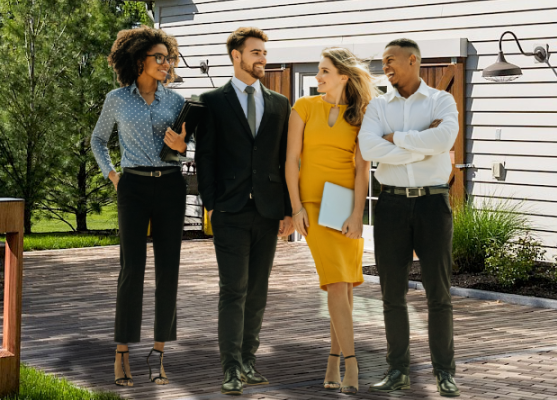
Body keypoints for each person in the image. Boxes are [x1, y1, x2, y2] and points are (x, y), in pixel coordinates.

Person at [184, 27, 294, 396]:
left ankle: (248, 360)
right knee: (233, 290)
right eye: (256, 52)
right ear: (236, 56)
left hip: (267, 211)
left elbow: (285, 161)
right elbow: (206, 157)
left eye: (264, 52)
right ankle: (230, 368)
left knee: (258, 291)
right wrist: (211, 203)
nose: (263, 58)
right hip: (229, 211)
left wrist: (288, 210)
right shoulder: (212, 101)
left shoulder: (280, 104)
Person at [356, 38, 463, 397]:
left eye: (390, 60)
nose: (384, 67)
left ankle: (444, 372)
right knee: (391, 295)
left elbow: (446, 138)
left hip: (433, 206)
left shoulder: (441, 100)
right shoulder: (377, 107)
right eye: (382, 61)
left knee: (439, 294)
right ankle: (397, 370)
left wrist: (397, 140)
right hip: (390, 207)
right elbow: (369, 148)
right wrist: (419, 147)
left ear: (412, 60)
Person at [89, 26, 189, 388]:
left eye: (169, 58)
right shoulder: (117, 99)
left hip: (170, 187)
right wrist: (113, 176)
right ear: (139, 60)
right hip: (132, 186)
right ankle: (122, 353)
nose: (165, 63)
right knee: (131, 269)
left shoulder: (177, 102)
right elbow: (98, 140)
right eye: (158, 58)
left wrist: (181, 147)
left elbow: (183, 148)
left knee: (169, 270)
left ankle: (159, 353)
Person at [285, 47, 375, 394]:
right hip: (312, 202)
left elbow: (361, 168)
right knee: (336, 281)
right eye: (319, 71)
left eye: (324, 71)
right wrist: (296, 208)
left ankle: (333, 362)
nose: (319, 77)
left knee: (347, 283)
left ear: (343, 76)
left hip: (343, 205)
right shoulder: (304, 107)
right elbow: (291, 160)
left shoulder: (361, 114)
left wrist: (356, 214)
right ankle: (353, 365)